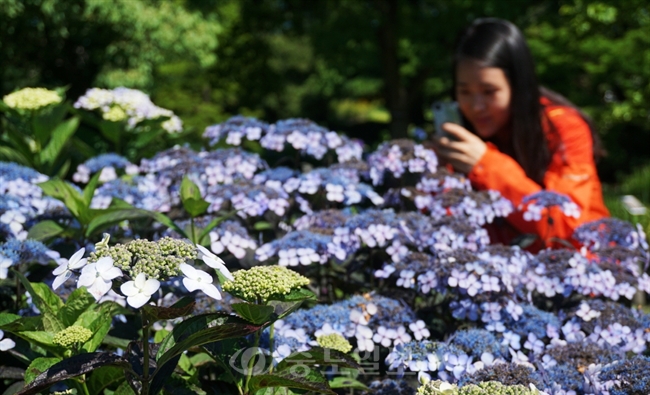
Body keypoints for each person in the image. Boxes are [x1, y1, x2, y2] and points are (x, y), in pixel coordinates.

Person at [433, 18, 609, 249]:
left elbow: (566, 226)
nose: (476, 106)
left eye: (489, 91)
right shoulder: (465, 137)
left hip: (583, 269)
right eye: (464, 92)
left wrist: (486, 166)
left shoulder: (565, 127)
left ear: (518, 86)